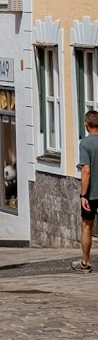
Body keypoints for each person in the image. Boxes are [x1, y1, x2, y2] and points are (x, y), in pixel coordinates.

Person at [72, 109, 98, 273]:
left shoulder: (85, 144)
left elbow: (86, 170)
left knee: (86, 226)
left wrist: (83, 194)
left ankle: (85, 262)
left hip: (92, 192)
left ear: (87, 125)